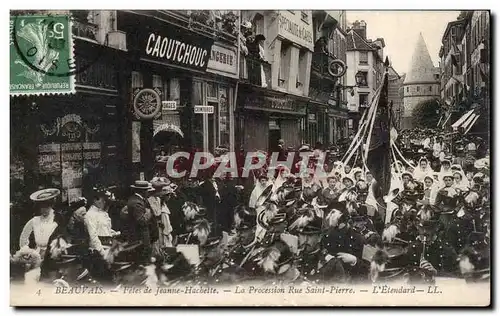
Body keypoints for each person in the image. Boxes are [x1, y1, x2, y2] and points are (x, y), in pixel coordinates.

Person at [19, 188, 65, 259]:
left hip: (53, 255)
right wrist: (27, 251)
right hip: (37, 255)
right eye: (42, 207)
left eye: (46, 207)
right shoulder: (35, 220)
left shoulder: (58, 218)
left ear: (51, 205)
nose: (44, 210)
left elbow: (63, 235)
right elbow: (23, 237)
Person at [126, 180, 159, 264]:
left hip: (142, 239)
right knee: (143, 262)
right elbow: (142, 221)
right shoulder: (136, 202)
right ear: (142, 191)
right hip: (140, 240)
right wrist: (148, 213)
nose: (148, 192)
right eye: (147, 190)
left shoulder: (139, 200)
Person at [84, 186, 120, 257]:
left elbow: (104, 228)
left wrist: (114, 233)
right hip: (97, 250)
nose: (104, 201)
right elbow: (93, 236)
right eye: (102, 199)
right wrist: (102, 253)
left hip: (108, 245)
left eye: (105, 199)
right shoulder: (90, 215)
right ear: (95, 200)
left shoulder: (102, 212)